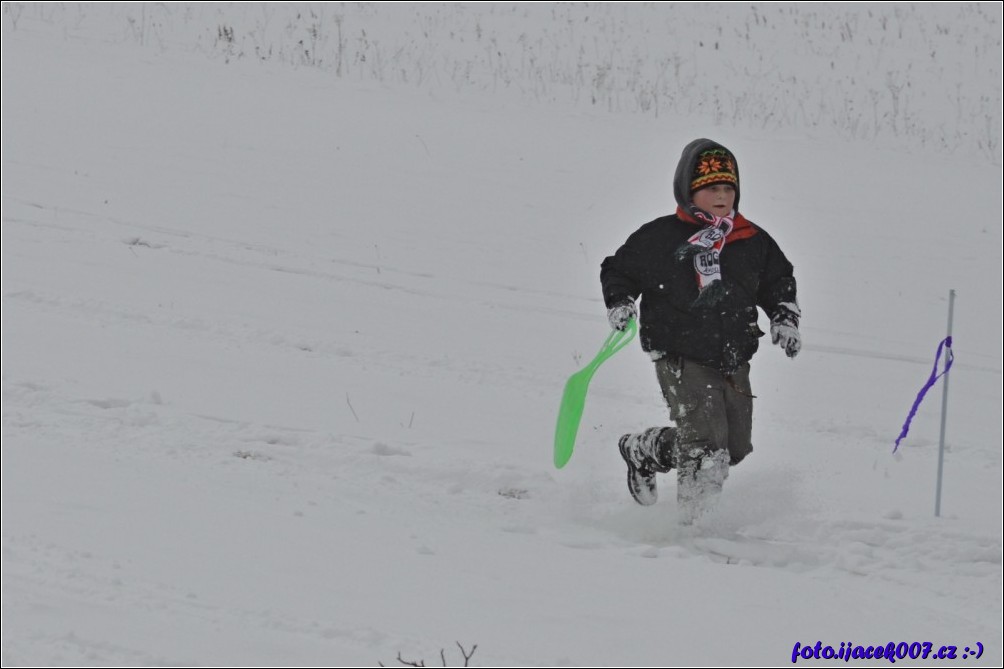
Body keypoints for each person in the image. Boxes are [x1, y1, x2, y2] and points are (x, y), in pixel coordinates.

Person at [600, 138, 800, 522]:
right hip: (680, 353)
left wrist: (784, 317)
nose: (722, 196)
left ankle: (646, 449)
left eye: (728, 188)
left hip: (733, 356)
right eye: (711, 189)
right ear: (690, 192)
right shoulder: (661, 237)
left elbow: (778, 281)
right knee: (707, 447)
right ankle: (694, 531)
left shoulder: (750, 239)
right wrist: (621, 301)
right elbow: (618, 269)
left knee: (735, 448)